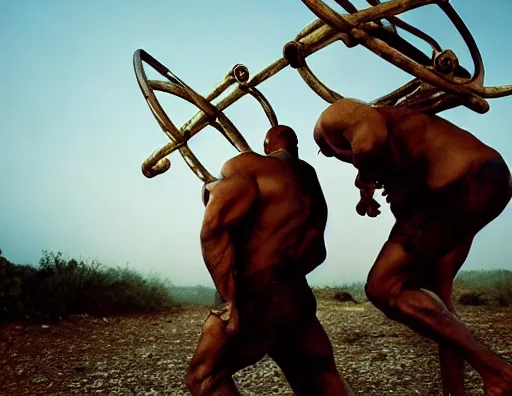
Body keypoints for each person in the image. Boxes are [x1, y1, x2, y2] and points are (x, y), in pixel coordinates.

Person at [314, 97, 512, 396]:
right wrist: (370, 190)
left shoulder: (331, 120)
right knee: (438, 305)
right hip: (484, 180)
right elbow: (382, 149)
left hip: (454, 185)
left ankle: (499, 374)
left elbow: (368, 142)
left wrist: (365, 176)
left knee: (382, 287)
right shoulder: (403, 133)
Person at [186, 125, 354, 396]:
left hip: (253, 296)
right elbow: (317, 252)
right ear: (295, 147)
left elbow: (213, 228)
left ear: (267, 146)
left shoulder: (247, 166)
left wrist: (230, 298)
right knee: (319, 374)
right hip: (295, 297)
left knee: (205, 377)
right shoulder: (308, 177)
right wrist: (285, 278)